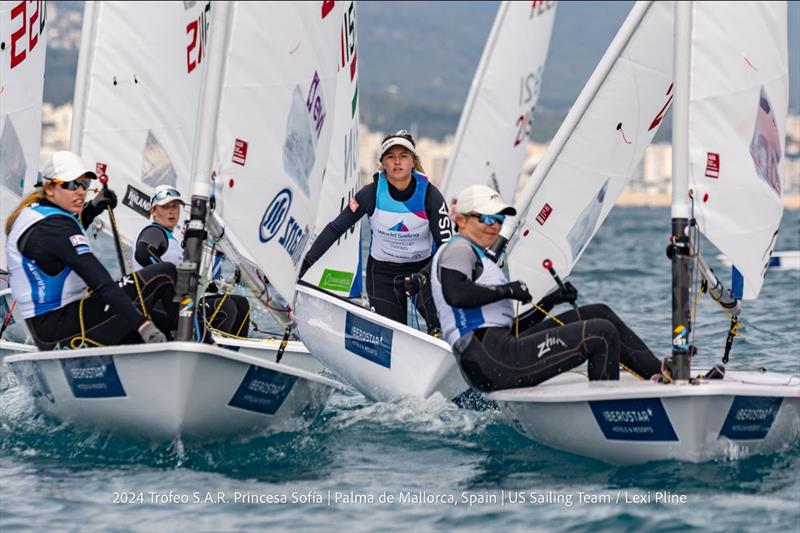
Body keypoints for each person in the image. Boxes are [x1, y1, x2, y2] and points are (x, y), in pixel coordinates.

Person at [430, 185, 663, 392]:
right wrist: (508, 290)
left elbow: (511, 328)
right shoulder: (459, 249)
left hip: (496, 350)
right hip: (490, 360)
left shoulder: (475, 254)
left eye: (499, 219)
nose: (495, 226)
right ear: (461, 220)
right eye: (487, 219)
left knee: (598, 313)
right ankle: (609, 412)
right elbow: (455, 293)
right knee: (600, 332)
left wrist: (551, 301)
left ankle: (660, 373)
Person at [4, 151, 175, 350]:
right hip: (62, 328)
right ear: (50, 188)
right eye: (71, 184)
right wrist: (143, 325)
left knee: (157, 317)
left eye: (84, 184)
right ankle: (198, 346)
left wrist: (93, 208)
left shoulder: (35, 212)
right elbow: (101, 282)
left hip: (49, 329)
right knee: (165, 273)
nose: (80, 191)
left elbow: (60, 246)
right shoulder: (55, 227)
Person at [299, 130, 452, 333]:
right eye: (391, 157)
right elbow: (336, 228)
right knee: (392, 335)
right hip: (382, 275)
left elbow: (446, 248)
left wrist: (422, 277)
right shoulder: (370, 194)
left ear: (413, 161)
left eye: (403, 156)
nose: (397, 162)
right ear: (382, 163)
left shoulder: (431, 196)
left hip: (421, 271)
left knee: (442, 328)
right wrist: (306, 263)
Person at [133, 185, 250, 339]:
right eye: (165, 206)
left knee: (240, 304)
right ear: (153, 210)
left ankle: (231, 355)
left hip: (176, 302)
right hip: (158, 305)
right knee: (226, 308)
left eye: (175, 206)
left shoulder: (171, 238)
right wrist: (171, 282)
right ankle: (209, 350)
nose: (171, 211)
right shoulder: (155, 231)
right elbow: (142, 253)